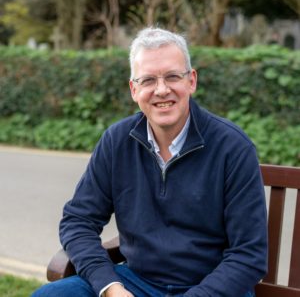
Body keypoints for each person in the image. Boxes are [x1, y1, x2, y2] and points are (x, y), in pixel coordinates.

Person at [32, 27, 267, 297]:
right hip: (136, 282)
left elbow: (249, 254)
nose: (162, 90)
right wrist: (110, 287)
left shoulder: (233, 147)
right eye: (148, 81)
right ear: (134, 89)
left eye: (172, 76)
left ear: (191, 81)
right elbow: (78, 221)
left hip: (212, 288)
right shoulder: (117, 141)